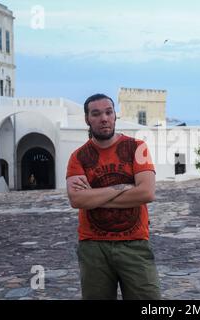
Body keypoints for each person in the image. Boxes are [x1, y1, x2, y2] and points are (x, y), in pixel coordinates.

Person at [66, 93, 161, 300]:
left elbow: (146, 192)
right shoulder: (79, 157)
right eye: (96, 113)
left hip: (134, 244)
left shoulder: (137, 148)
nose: (104, 118)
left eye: (109, 112)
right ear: (87, 119)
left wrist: (95, 197)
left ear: (115, 116)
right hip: (93, 246)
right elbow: (78, 200)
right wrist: (122, 187)